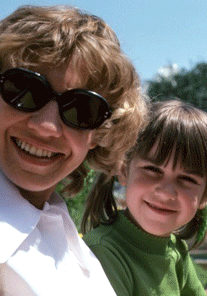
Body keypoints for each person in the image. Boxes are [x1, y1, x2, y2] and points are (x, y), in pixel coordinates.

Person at [0, 4, 147, 296]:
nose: (46, 126)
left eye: (82, 109)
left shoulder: (69, 239)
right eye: (25, 90)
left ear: (100, 132)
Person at [83, 99, 207, 295]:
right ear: (124, 171)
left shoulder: (176, 249)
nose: (166, 192)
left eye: (187, 179)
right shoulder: (103, 253)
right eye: (152, 169)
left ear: (204, 197)